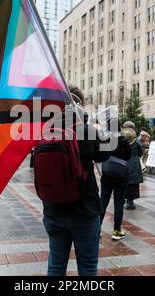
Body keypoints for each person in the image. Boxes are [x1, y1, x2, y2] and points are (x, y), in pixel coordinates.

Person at [42, 86, 110, 276]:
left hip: (53, 209)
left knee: (56, 265)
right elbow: (103, 155)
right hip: (84, 209)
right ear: (79, 104)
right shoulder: (86, 131)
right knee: (87, 267)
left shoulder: (46, 130)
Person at [100, 135, 131, 240]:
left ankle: (97, 229)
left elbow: (100, 155)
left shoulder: (107, 140)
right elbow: (128, 156)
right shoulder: (124, 141)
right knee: (118, 203)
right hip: (121, 176)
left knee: (103, 202)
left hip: (107, 175)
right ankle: (116, 231)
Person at [121, 122, 144, 210]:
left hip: (123, 163)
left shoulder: (121, 139)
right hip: (134, 163)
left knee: (123, 182)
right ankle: (130, 202)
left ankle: (122, 199)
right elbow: (140, 152)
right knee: (133, 183)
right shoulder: (136, 141)